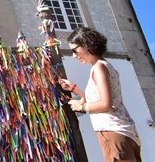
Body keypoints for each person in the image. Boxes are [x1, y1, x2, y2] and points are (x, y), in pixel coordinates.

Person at [58, 27, 142, 162]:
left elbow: (105, 104)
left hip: (113, 133)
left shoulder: (99, 67)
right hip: (122, 134)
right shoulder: (103, 66)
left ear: (87, 45)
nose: (74, 55)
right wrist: (74, 89)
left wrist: (81, 107)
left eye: (75, 50)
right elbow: (99, 99)